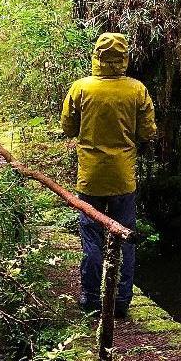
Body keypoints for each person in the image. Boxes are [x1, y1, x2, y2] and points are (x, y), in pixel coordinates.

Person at [60, 32, 156, 317]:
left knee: (91, 236)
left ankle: (90, 298)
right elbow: (148, 132)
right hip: (123, 178)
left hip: (90, 178)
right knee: (124, 238)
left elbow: (68, 127)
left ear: (96, 57)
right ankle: (121, 302)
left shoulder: (81, 88)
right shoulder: (136, 90)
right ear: (124, 58)